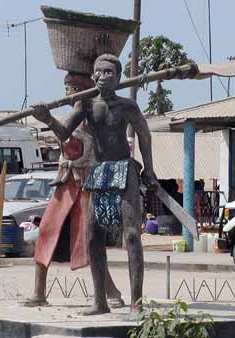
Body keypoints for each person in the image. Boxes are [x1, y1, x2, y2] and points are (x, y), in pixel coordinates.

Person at [32, 54, 158, 316]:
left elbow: (144, 135)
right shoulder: (86, 105)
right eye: (98, 72)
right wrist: (47, 119)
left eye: (108, 72)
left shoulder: (128, 107)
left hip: (124, 171)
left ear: (119, 76)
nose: (102, 77)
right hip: (98, 172)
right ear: (92, 77)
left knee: (132, 235)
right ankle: (100, 302)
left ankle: (137, 303)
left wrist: (150, 170)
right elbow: (64, 132)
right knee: (92, 238)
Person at [26, 72, 124, 308]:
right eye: (66, 88)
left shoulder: (92, 116)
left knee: (90, 241)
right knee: (45, 234)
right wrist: (48, 119)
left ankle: (111, 293)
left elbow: (68, 140)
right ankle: (39, 292)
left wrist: (48, 119)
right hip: (65, 184)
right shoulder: (72, 116)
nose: (66, 93)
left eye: (70, 88)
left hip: (85, 186)